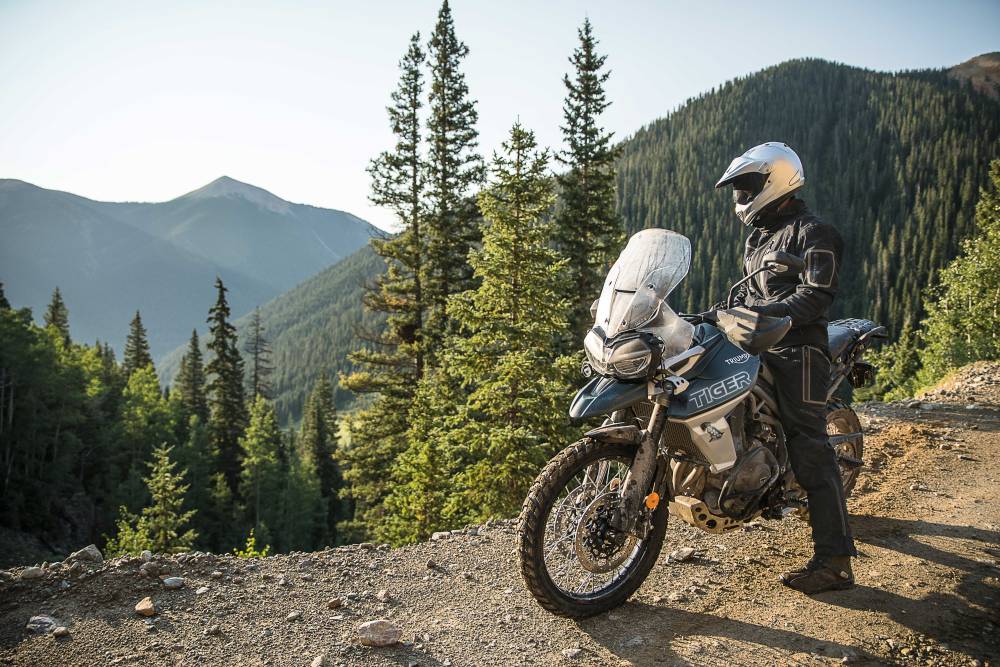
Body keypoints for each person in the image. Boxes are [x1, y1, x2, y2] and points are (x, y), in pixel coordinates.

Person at [714, 142, 856, 594]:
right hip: (755, 343)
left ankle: (835, 563)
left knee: (810, 444)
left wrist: (772, 315)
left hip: (799, 349)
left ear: (776, 180)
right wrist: (711, 315)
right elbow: (744, 296)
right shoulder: (759, 236)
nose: (740, 196)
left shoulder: (816, 232)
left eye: (746, 186)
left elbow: (818, 293)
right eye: (737, 188)